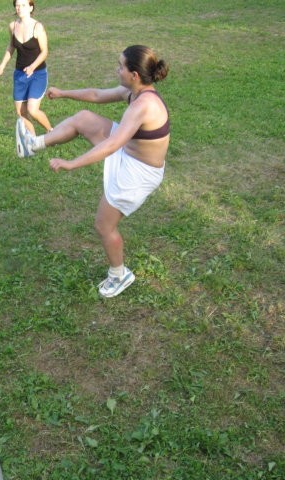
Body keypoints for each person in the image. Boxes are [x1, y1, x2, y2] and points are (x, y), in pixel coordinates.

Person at [16, 45, 170, 298]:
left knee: (103, 226)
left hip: (139, 173)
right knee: (84, 118)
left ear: (134, 74)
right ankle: (34, 145)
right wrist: (64, 93)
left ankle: (119, 275)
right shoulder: (134, 91)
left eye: (121, 66)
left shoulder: (143, 105)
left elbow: (112, 145)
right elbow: (97, 95)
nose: (117, 69)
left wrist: (71, 163)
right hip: (129, 151)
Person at [0, 0, 52, 147]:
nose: (19, 8)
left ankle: (51, 132)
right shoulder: (13, 26)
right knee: (21, 113)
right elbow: (11, 47)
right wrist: (3, 64)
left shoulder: (37, 27)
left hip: (38, 74)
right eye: (17, 5)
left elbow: (45, 51)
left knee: (32, 109)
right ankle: (32, 140)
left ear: (31, 7)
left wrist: (33, 66)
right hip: (20, 75)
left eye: (23, 5)